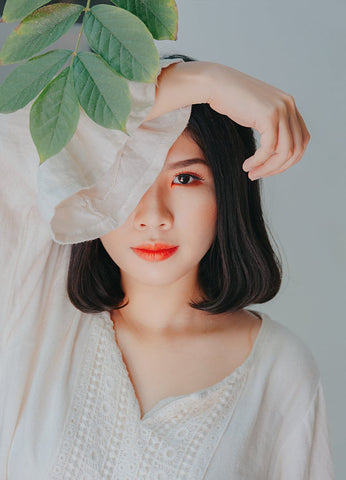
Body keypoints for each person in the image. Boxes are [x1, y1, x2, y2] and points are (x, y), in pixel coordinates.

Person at [0, 54, 334, 479]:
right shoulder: (33, 309)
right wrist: (203, 80)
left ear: (227, 193)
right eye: (126, 175)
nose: (153, 215)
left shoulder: (281, 370)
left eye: (185, 179)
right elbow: (21, 138)